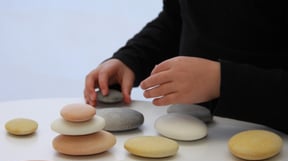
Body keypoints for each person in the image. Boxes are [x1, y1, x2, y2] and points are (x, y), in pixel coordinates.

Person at [84, 0, 287, 133]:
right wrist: (131, 59)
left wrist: (223, 81)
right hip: (193, 135)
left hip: (272, 143)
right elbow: (178, 18)